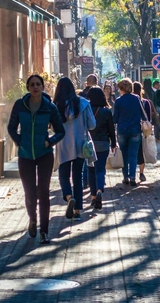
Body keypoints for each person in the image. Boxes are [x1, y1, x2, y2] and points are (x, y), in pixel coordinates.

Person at [6, 75, 65, 244]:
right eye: (32, 84)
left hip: (45, 154)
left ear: (42, 87)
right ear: (28, 87)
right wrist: (19, 141)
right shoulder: (20, 105)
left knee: (43, 192)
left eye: (38, 84)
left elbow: (60, 131)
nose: (35, 87)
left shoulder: (49, 107)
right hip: (25, 155)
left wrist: (50, 141)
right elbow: (11, 127)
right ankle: (33, 219)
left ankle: (44, 231)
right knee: (30, 192)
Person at [53, 77, 96, 222]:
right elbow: (92, 124)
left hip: (63, 144)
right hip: (80, 144)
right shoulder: (83, 103)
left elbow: (52, 127)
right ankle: (77, 211)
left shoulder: (56, 105)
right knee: (77, 176)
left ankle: (69, 196)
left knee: (64, 175)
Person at [87, 87, 116, 210]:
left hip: (89, 144)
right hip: (103, 143)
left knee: (90, 170)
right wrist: (113, 143)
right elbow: (111, 129)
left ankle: (93, 196)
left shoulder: (86, 110)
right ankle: (99, 190)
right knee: (100, 169)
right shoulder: (106, 111)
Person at [113, 78, 144, 186]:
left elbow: (115, 119)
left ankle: (125, 177)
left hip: (122, 130)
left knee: (124, 155)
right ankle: (132, 178)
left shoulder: (118, 101)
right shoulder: (137, 99)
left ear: (121, 88)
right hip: (135, 130)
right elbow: (143, 114)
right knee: (133, 154)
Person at [133, 82, 156, 183]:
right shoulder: (146, 102)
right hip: (144, 130)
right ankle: (141, 173)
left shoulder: (131, 101)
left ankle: (131, 174)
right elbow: (149, 118)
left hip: (133, 129)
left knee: (134, 152)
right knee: (142, 151)